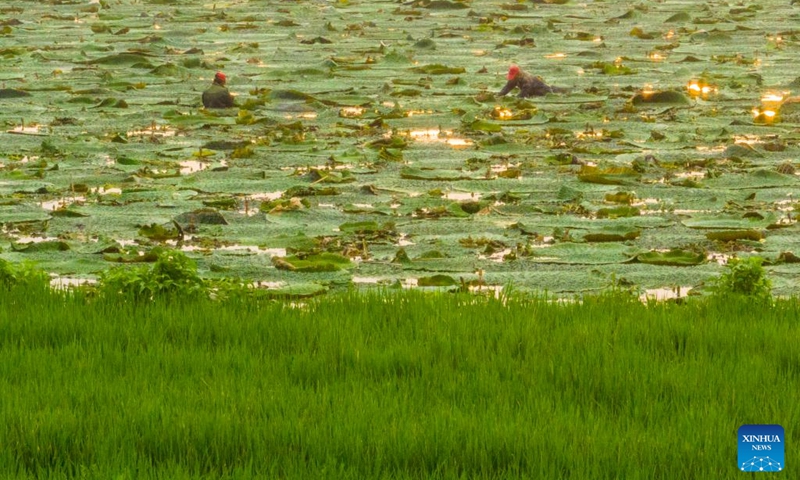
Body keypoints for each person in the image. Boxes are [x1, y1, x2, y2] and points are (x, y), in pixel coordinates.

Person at [498, 65, 567, 98]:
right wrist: (499, 95)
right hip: (532, 93)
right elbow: (507, 87)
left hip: (543, 91)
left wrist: (514, 100)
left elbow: (524, 93)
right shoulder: (515, 78)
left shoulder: (526, 79)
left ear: (518, 73)